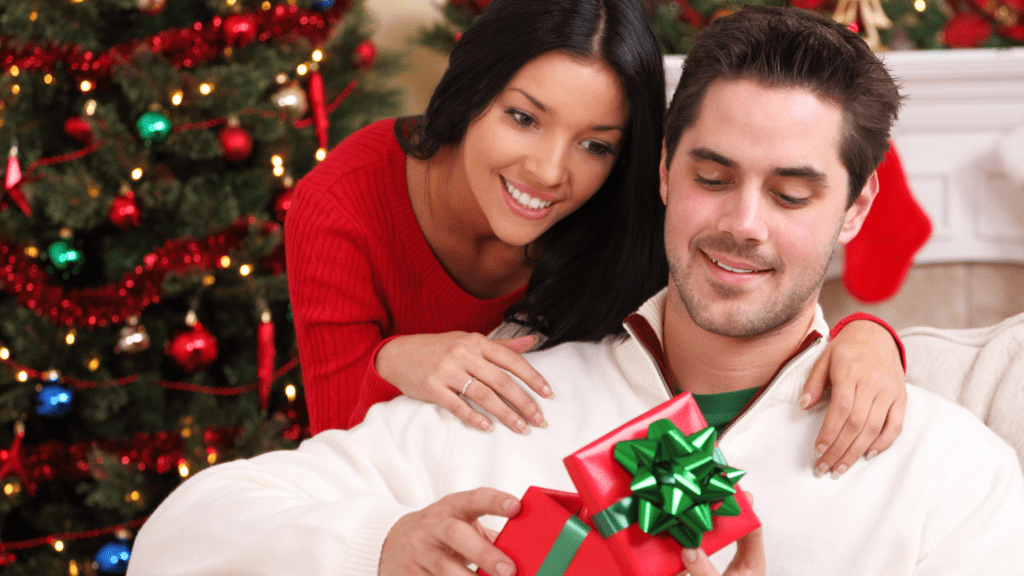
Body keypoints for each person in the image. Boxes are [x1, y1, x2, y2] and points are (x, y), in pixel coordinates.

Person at [128, 7, 1024, 576]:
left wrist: (871, 335)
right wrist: (378, 548)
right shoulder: (502, 398)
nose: (744, 225)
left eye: (792, 194)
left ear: (857, 206)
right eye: (714, 176)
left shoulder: (950, 474)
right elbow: (177, 544)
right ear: (664, 172)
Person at [285, 0, 907, 476]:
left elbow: (727, 310)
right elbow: (337, 456)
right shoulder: (341, 203)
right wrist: (393, 360)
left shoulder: (625, 207)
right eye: (523, 118)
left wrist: (867, 337)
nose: (550, 172)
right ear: (472, 91)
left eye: (596, 144)